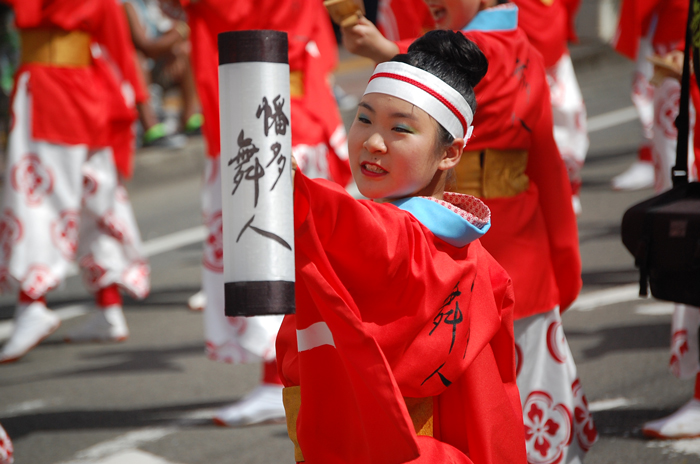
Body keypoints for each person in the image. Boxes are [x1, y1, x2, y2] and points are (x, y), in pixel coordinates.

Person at [340, 0, 597, 462]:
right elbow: (548, 169)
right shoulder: (525, 51)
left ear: (451, 151)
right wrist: (564, 262)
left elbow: (469, 63)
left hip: (451, 263)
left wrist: (391, 50)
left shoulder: (474, 54)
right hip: (520, 253)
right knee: (525, 413)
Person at [277, 29, 526, 463]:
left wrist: (287, 184)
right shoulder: (474, 256)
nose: (373, 141)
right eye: (365, 118)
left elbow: (362, 231)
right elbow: (499, 401)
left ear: (450, 153)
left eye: (400, 129)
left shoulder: (400, 238)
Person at [178, 0, 351, 426]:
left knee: (269, 254)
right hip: (287, 112)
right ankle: (299, 374)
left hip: (258, 120)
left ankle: (279, 380)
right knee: (295, 252)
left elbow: (234, 14)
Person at [0, 0, 151, 363]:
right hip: (92, 94)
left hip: (49, 91)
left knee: (37, 198)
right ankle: (108, 307)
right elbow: (121, 51)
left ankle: (31, 302)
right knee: (95, 197)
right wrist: (141, 109)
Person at [510, 0, 588, 214]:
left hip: (553, 50)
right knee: (525, 126)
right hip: (518, 54)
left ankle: (567, 187)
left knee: (567, 118)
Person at [610, 0, 688, 191]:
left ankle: (676, 201)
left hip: (680, 28)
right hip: (672, 26)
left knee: (674, 119)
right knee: (670, 116)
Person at [121, 0, 201, 147]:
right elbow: (146, 47)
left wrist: (175, 47)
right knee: (135, 58)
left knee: (185, 51)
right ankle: (150, 128)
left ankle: (189, 118)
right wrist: (181, 32)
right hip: (137, 71)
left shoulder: (153, 5)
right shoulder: (128, 5)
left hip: (157, 65)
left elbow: (169, 32)